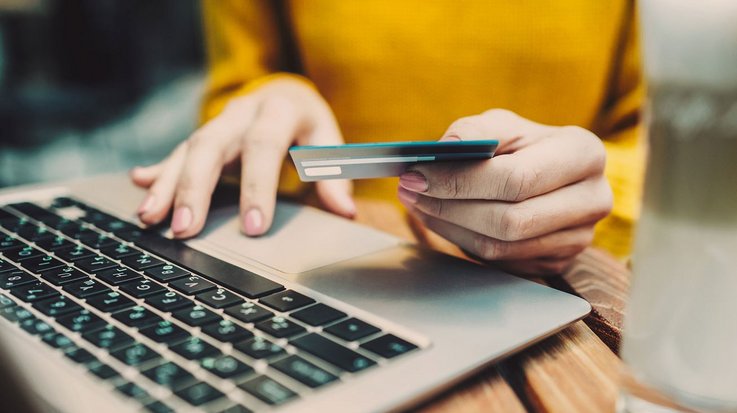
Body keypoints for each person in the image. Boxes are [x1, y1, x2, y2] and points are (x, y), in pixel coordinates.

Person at [130, 1, 645, 276]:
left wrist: (589, 196)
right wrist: (272, 99)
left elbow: (672, 151)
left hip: (558, 281)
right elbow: (234, 94)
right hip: (312, 259)